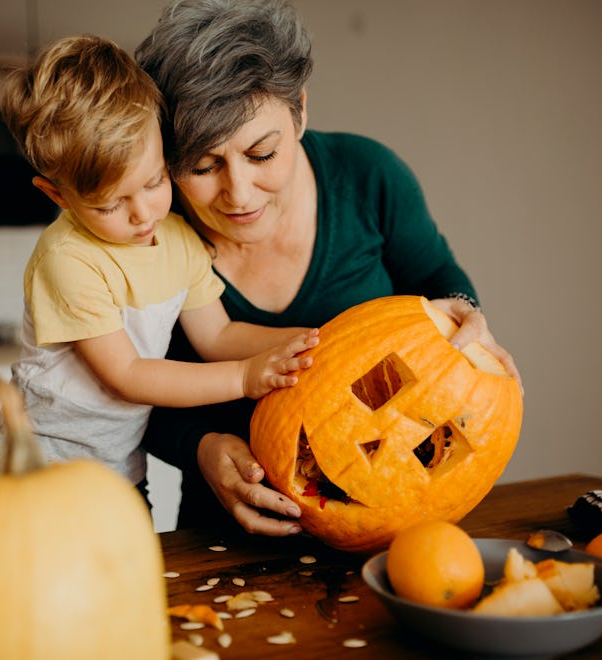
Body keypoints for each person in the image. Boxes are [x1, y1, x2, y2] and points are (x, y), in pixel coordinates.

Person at [135, 0, 523, 534]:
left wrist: (469, 315)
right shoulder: (148, 231)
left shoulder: (369, 177)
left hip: (392, 529)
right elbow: (126, 387)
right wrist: (202, 448)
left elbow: (440, 281)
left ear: (299, 110)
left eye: (262, 154)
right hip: (222, 535)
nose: (238, 193)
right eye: (202, 166)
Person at [0, 34, 319, 502]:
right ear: (56, 195)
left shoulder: (178, 238)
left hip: (120, 470)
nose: (143, 213)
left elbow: (218, 336)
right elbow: (127, 374)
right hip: (43, 472)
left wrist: (318, 344)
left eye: (155, 181)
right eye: (111, 204)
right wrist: (244, 378)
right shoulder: (68, 260)